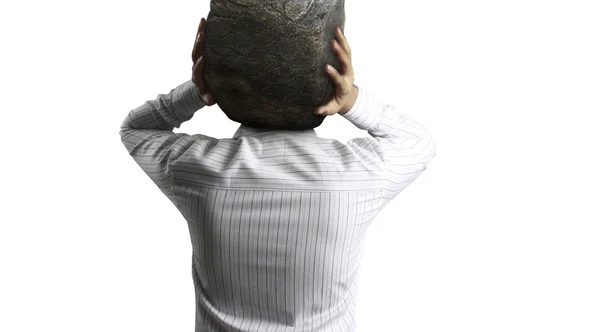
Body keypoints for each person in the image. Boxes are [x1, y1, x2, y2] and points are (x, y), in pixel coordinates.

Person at [119, 18, 436, 332]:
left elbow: (136, 129)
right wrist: (351, 100)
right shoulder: (358, 174)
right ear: (327, 79)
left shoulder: (197, 169)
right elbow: (418, 142)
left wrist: (198, 91)